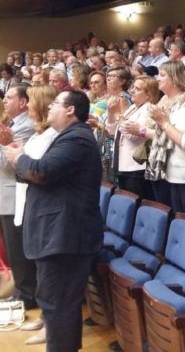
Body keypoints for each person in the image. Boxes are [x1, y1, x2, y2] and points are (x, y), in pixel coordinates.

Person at [4, 90, 103, 352]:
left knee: (58, 302)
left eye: (56, 104)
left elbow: (42, 171)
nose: (49, 108)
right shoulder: (66, 137)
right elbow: (39, 173)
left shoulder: (77, 138)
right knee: (52, 299)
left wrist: (19, 159)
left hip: (66, 235)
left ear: (70, 110)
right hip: (57, 232)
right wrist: (24, 161)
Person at [14, 85, 58, 346]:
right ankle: (44, 315)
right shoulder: (39, 132)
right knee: (40, 270)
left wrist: (17, 155)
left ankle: (51, 324)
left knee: (48, 272)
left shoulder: (53, 135)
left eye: (30, 101)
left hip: (43, 208)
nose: (26, 105)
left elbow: (37, 168)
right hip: (29, 202)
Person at [0, 85, 37, 310]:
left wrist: (4, 144)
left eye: (11, 97)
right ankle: (21, 289)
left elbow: (10, 165)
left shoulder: (24, 127)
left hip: (14, 191)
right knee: (12, 246)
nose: (5, 101)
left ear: (23, 102)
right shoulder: (14, 124)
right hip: (6, 191)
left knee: (17, 245)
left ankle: (26, 293)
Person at [148, 62, 185, 215]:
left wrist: (148, 129)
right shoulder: (167, 101)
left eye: (162, 75)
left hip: (184, 169)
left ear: (175, 78)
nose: (158, 78)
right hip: (166, 164)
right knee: (173, 216)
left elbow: (184, 140)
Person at [107, 76, 159, 199]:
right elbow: (112, 130)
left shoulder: (149, 109)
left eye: (138, 89)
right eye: (133, 87)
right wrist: (110, 112)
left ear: (148, 95)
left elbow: (132, 135)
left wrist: (117, 114)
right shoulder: (132, 108)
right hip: (122, 163)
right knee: (125, 200)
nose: (132, 91)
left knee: (135, 200)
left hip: (136, 166)